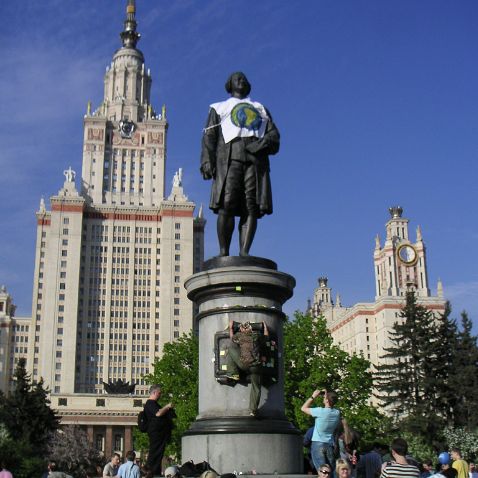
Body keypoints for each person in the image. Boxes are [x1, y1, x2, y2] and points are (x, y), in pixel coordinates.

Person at [200, 71, 280, 257]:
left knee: (251, 206)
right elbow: (209, 137)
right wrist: (206, 160)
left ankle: (245, 252)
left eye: (244, 78)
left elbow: (274, 137)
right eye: (237, 78)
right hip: (229, 160)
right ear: (230, 84)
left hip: (254, 162)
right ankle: (223, 252)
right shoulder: (219, 108)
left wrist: (259, 145)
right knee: (226, 203)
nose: (241, 80)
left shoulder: (260, 109)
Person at [225, 320, 270, 416]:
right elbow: (267, 337)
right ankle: (253, 410)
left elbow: (232, 338)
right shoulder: (257, 336)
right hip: (256, 367)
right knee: (256, 387)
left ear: (242, 329)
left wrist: (231, 327)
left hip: (244, 364)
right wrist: (265, 327)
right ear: (251, 329)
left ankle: (233, 374)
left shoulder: (240, 336)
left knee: (231, 349)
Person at [301, 390, 342, 474]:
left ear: (327, 400)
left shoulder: (320, 411)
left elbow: (303, 408)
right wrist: (327, 394)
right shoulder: (337, 413)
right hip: (330, 445)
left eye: (324, 397)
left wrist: (313, 396)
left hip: (317, 445)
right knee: (330, 472)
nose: (323, 398)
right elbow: (331, 400)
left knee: (322, 472)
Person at [143, 385, 174, 476]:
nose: (160, 395)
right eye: (159, 393)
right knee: (155, 453)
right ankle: (150, 472)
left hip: (159, 433)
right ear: (154, 392)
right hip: (156, 433)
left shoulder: (153, 403)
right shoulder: (150, 403)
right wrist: (167, 406)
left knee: (158, 454)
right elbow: (158, 413)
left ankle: (155, 472)